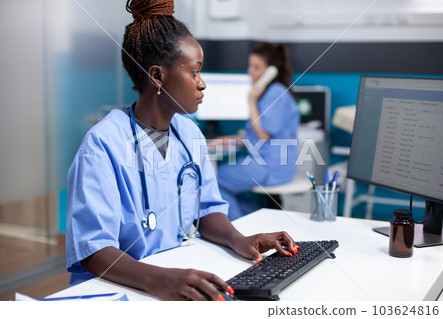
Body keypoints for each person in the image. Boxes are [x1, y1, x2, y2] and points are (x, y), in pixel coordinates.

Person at [65, 0, 299, 301]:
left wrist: (241, 240)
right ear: (157, 76)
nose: (202, 84)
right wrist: (159, 279)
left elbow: (208, 210)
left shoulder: (189, 133)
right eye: (194, 72)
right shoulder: (103, 144)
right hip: (115, 290)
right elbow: (94, 251)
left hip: (169, 275)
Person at [213, 42, 300, 221]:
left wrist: (251, 101)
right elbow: (255, 135)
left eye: (256, 67)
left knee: (215, 179)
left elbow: (262, 134)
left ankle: (238, 228)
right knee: (227, 180)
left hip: (271, 166)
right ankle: (253, 222)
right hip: (268, 163)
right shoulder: (270, 93)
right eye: (250, 66)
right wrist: (232, 139)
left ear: (271, 71)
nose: (250, 71)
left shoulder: (276, 92)